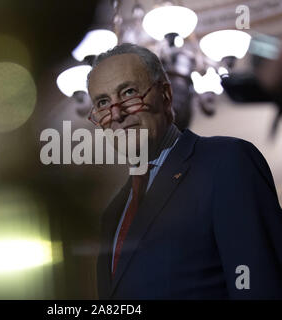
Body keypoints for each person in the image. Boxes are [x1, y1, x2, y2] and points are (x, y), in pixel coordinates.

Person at [86, 43, 282, 299]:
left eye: (129, 92)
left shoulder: (227, 162)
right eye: (103, 102)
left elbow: (260, 288)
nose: (116, 113)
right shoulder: (112, 213)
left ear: (166, 95)